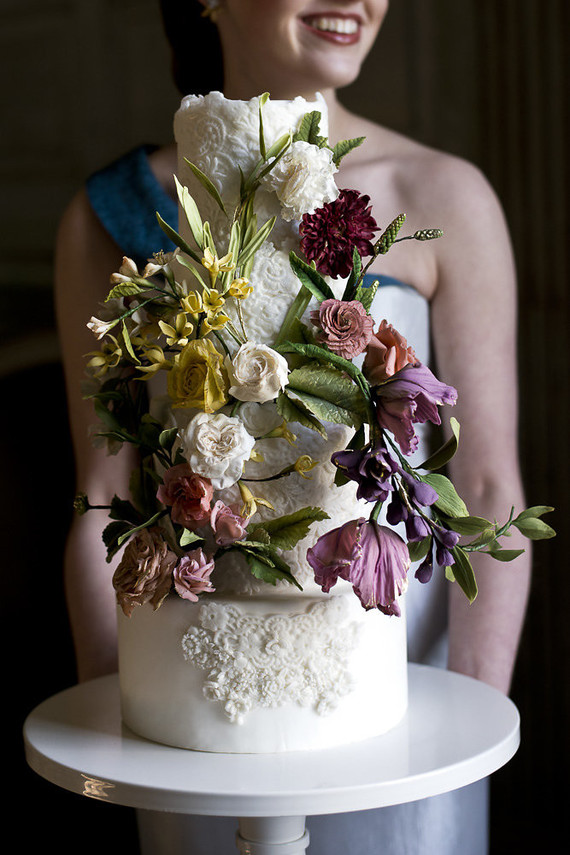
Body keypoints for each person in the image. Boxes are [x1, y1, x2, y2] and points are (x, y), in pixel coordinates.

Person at [55, 2, 530, 853]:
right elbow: (100, 497)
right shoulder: (115, 218)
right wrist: (130, 730)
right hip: (199, 743)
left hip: (400, 727)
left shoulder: (445, 199)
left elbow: (491, 489)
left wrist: (459, 736)